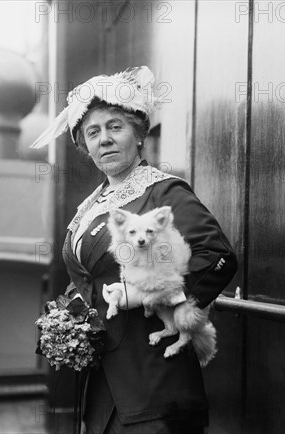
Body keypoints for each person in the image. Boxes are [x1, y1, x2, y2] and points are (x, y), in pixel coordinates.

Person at [31, 66, 237, 434]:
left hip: (155, 385)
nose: (104, 140)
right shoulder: (92, 206)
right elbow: (97, 276)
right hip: (103, 388)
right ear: (85, 146)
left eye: (115, 127)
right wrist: (72, 315)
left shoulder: (164, 192)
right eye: (92, 133)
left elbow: (217, 258)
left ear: (139, 135)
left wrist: (142, 293)